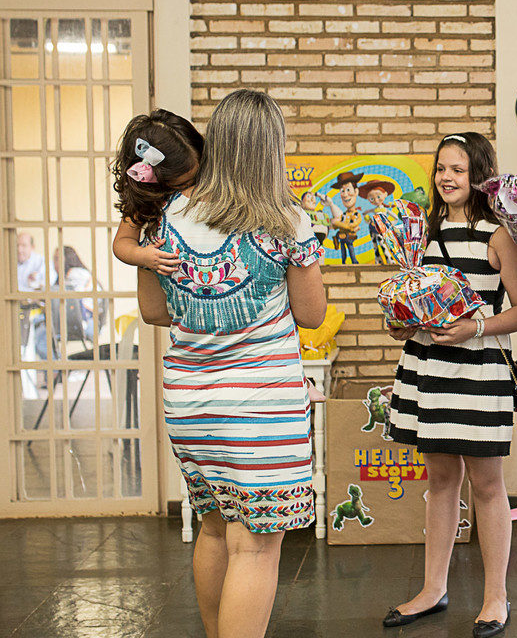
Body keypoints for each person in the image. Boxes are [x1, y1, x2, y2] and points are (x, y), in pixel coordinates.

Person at [131, 90, 326, 638]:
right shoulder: (286, 220)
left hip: (190, 404)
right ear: (271, 150)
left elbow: (154, 312)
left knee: (214, 530)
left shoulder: (164, 214)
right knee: (255, 548)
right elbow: (312, 315)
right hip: (260, 408)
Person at [383, 132, 517, 638]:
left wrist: (475, 327)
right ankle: (433, 589)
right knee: (440, 482)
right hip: (427, 369)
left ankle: (496, 596)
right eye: (441, 168)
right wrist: (401, 322)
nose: (446, 178)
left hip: (478, 373)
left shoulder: (498, 234)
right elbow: (414, 301)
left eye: (458, 169)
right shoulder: (421, 234)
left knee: (488, 486)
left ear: (480, 176)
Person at [111, 108, 205, 275]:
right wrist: (142, 256)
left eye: (196, 178)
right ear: (159, 180)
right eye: (184, 183)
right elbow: (122, 242)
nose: (192, 186)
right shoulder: (146, 200)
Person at [328, 171, 364, 264]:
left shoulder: (356, 215)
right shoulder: (343, 215)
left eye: (348, 190)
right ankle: (343, 261)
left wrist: (337, 223)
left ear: (356, 191)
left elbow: (351, 226)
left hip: (349, 236)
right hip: (341, 236)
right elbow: (335, 226)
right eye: (342, 191)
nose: (345, 194)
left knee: (350, 248)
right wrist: (332, 223)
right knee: (343, 249)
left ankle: (354, 261)